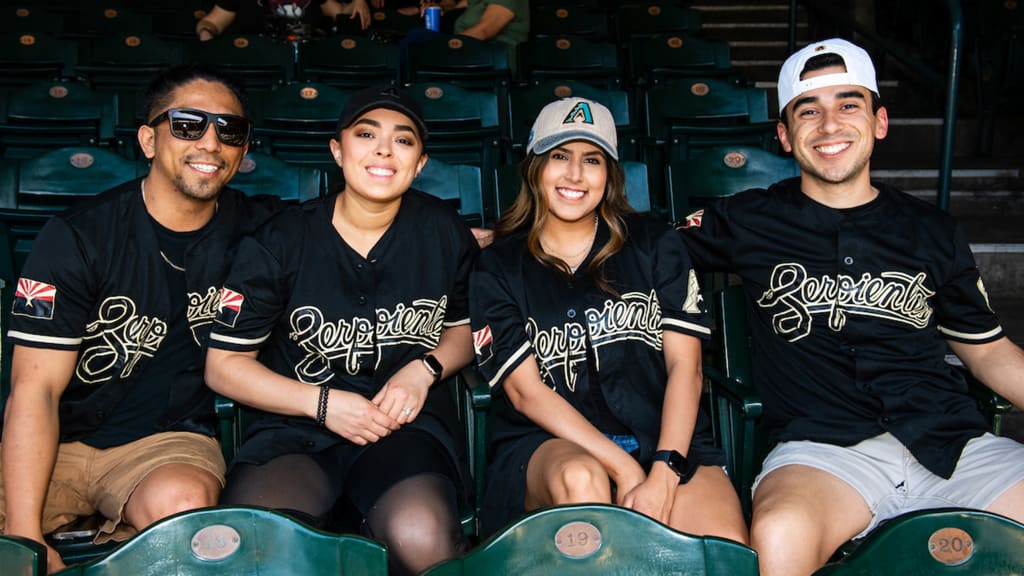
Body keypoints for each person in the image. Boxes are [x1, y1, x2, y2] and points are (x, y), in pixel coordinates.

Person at [677, 38, 1024, 576]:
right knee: (778, 533)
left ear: (879, 122)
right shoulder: (746, 220)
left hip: (950, 444)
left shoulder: (933, 230)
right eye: (808, 111)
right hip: (823, 453)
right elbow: (630, 245)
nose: (830, 124)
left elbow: (989, 354)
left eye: (848, 104)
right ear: (785, 136)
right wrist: (513, 238)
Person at [0, 64, 284, 573]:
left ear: (243, 151)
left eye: (229, 129)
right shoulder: (78, 237)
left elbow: (356, 224)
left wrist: (462, 237)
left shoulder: (264, 230)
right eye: (188, 124)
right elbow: (34, 390)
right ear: (149, 140)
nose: (211, 142)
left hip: (163, 442)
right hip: (55, 437)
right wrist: (25, 537)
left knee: (187, 517)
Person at [204, 85, 477, 576]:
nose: (383, 150)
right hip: (298, 428)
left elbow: (464, 330)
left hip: (403, 427)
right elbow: (224, 368)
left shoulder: (442, 230)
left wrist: (425, 368)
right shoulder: (283, 238)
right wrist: (323, 403)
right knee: (263, 546)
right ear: (337, 149)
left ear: (420, 163)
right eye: (366, 133)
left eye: (403, 140)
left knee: (421, 536)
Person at [469, 98, 749, 543]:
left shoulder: (656, 244)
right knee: (585, 481)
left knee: (721, 552)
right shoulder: (498, 266)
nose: (575, 175)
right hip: (548, 445)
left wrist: (662, 469)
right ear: (534, 167)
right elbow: (525, 393)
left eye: (592, 160)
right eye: (559, 156)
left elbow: (686, 368)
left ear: (610, 174)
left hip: (666, 438)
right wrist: (623, 468)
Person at [195, 0, 371, 41]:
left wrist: (358, 0)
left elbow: (342, 13)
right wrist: (205, 32)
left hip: (304, 63)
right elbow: (211, 23)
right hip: (259, 64)